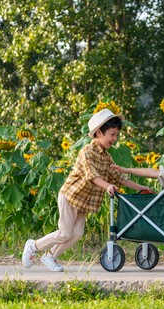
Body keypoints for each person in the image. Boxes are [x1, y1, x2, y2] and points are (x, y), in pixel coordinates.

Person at [21, 109, 152, 272]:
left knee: (76, 234)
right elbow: (91, 174)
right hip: (71, 196)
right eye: (112, 134)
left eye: (116, 135)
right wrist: (107, 186)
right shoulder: (86, 152)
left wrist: (141, 188)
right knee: (65, 233)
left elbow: (119, 178)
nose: (115, 139)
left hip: (84, 202)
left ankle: (50, 256)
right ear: (99, 132)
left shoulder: (107, 157)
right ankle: (33, 246)